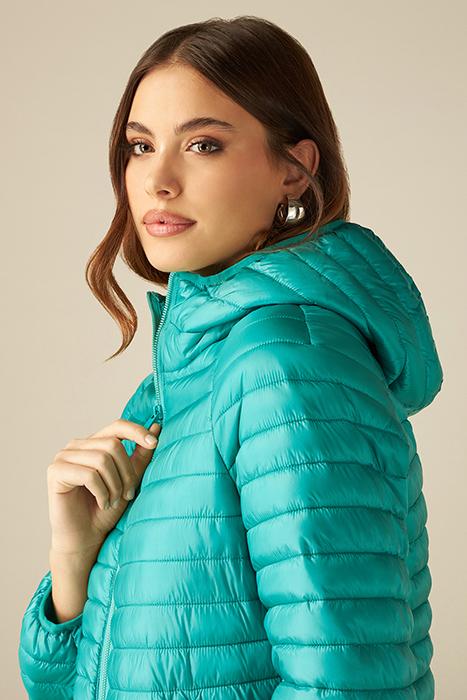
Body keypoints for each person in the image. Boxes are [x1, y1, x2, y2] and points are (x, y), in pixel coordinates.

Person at [18, 15, 443, 700]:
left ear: (293, 170)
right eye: (140, 146)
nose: (157, 180)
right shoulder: (188, 373)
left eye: (203, 145)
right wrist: (74, 560)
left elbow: (349, 683)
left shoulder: (287, 363)